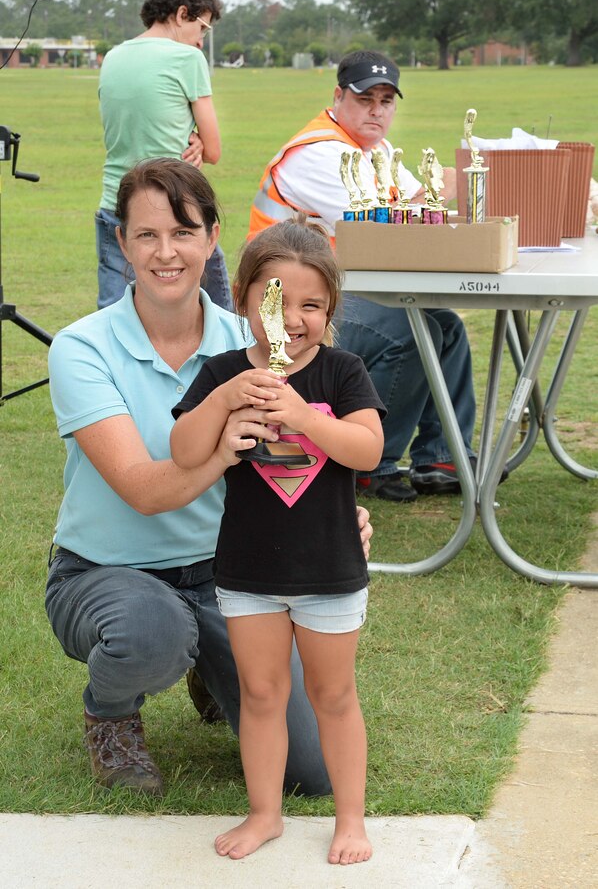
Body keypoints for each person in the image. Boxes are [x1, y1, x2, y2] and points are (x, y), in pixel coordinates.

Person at [46, 157, 372, 798]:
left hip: (235, 575)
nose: (166, 252)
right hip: (108, 571)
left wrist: (336, 517)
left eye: (184, 232)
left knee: (311, 771)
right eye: (146, 235)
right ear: (121, 241)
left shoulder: (252, 338)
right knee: (153, 630)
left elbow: (315, 444)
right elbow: (143, 489)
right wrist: (223, 443)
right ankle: (111, 717)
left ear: (213, 237)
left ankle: (207, 665)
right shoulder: (82, 347)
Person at [170, 218, 383, 863]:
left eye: (311, 305)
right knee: (261, 695)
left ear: (330, 310)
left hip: (329, 570)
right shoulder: (224, 371)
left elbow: (368, 450)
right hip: (247, 571)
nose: (291, 319)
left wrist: (298, 416)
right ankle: (265, 814)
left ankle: (351, 820)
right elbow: (183, 451)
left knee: (334, 696)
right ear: (242, 300)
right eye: (273, 302)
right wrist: (227, 401)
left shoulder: (342, 372)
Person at [248, 49, 478, 503]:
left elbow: (422, 206)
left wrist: (452, 191)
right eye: (365, 98)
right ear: (338, 97)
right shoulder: (320, 153)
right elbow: (397, 219)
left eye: (386, 101)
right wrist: (464, 183)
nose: (377, 110)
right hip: (285, 315)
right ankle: (373, 461)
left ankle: (441, 457)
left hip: (329, 299)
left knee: (445, 324)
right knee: (409, 332)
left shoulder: (374, 150)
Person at [96, 0, 232, 311]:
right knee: (220, 314)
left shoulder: (114, 56)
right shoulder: (188, 58)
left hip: (114, 203)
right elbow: (212, 150)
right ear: (182, 13)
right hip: (174, 204)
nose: (201, 41)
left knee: (114, 313)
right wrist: (198, 139)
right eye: (202, 28)